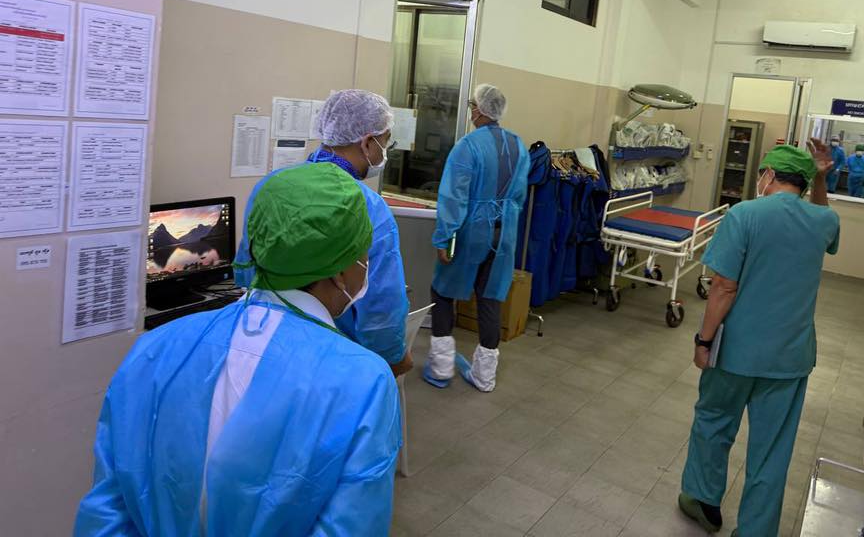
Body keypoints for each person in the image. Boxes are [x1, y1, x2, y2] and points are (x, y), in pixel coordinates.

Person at [75, 163, 402, 536]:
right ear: (342, 271)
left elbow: (108, 508)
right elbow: (351, 526)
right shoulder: (365, 383)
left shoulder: (155, 347)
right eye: (365, 254)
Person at [678, 142, 840, 537]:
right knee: (772, 448)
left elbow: (723, 287)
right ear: (804, 183)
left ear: (768, 175)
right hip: (789, 357)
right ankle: (756, 530)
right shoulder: (823, 220)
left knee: (714, 421)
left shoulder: (745, 214)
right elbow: (824, 218)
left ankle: (703, 501)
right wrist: (821, 179)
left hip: (736, 350)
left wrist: (703, 341)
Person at [234, 89, 412, 377]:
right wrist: (391, 358)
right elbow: (381, 304)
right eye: (386, 142)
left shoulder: (272, 185)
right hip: (332, 355)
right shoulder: (368, 207)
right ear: (368, 142)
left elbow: (246, 268)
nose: (385, 152)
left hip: (260, 339)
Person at [423, 84, 530, 392]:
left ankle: (441, 368)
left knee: (443, 291)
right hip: (504, 232)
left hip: (471, 232)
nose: (471, 110)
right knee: (490, 297)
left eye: (472, 105)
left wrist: (445, 238)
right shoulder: (518, 146)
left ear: (479, 110)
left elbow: (453, 197)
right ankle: (484, 376)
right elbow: (518, 197)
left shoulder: (467, 146)